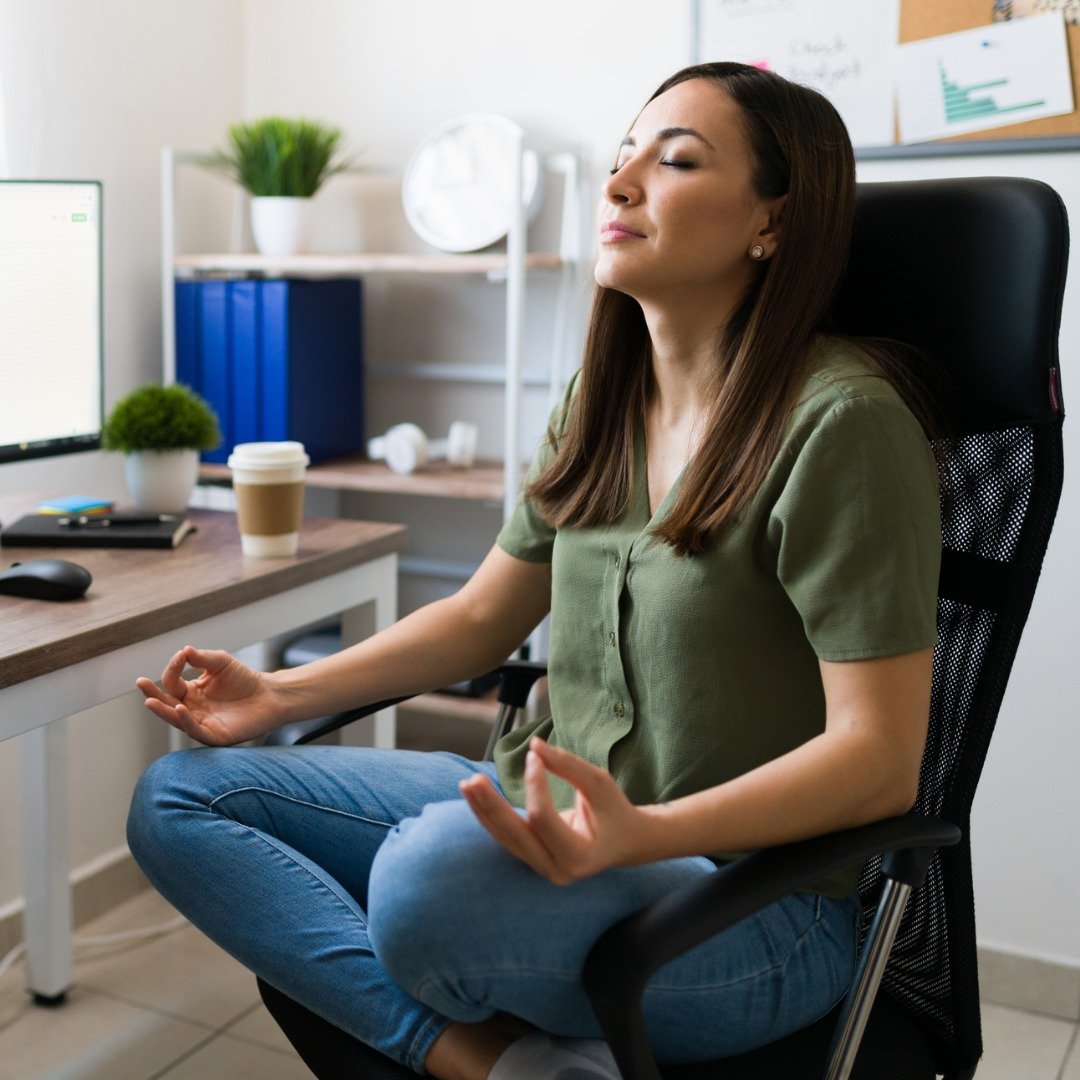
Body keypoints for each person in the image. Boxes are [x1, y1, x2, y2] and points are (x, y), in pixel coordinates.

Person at [128, 61, 941, 1079]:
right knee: (179, 798)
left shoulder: (843, 424)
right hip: (552, 816)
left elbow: (880, 759)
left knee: (424, 887)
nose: (621, 183)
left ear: (772, 222)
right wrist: (277, 692)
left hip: (750, 905)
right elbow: (480, 619)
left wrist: (641, 834)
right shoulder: (602, 402)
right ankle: (497, 1063)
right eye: (619, 160)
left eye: (677, 159)